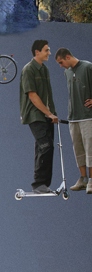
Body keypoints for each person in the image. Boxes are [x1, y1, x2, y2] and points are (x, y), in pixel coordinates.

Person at [19, 40, 59, 193]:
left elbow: (48, 95)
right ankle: (38, 184)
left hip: (48, 116)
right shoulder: (28, 69)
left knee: (47, 147)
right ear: (37, 52)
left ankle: (43, 184)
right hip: (35, 114)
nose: (49, 53)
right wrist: (48, 113)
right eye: (46, 50)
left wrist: (52, 113)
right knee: (45, 145)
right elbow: (33, 95)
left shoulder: (45, 69)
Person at [56, 48, 92, 193]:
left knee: (90, 148)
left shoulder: (88, 67)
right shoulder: (67, 72)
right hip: (73, 117)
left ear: (68, 57)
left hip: (88, 116)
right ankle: (83, 179)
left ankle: (91, 181)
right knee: (78, 150)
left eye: (61, 62)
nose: (60, 66)